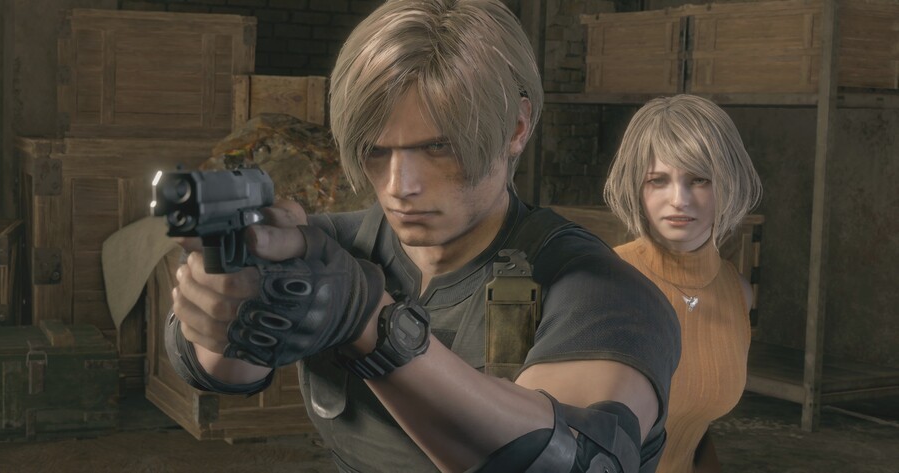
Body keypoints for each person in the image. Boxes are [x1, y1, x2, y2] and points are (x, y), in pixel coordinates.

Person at [165, 1, 680, 472]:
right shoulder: (329, 253)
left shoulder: (601, 293)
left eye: (438, 147)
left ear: (516, 127)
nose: (399, 186)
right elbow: (223, 371)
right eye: (376, 150)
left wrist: (370, 324)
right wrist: (227, 301)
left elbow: (571, 462)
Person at [603, 94, 763, 473]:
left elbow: (696, 424)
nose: (679, 199)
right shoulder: (605, 279)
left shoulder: (738, 292)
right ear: (636, 187)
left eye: (699, 179)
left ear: (727, 183)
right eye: (658, 180)